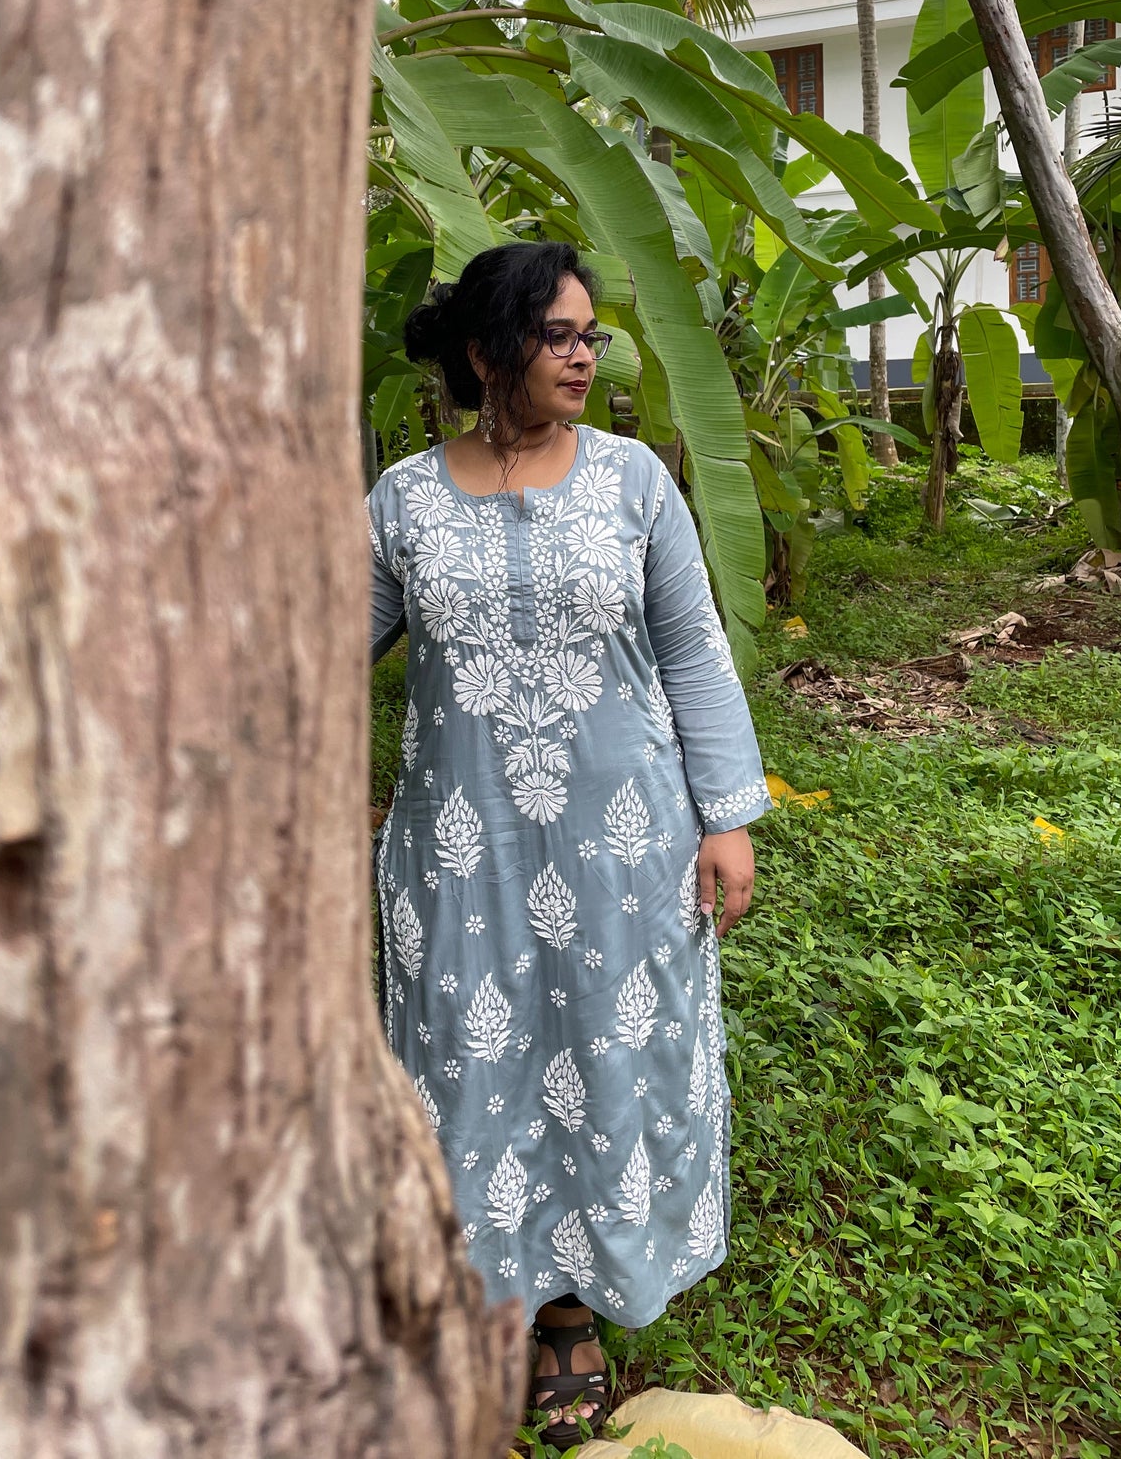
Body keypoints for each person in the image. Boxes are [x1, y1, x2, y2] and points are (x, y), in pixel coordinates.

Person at [365, 240, 768, 1446]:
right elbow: (319, 649)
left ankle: (574, 1313)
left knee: (605, 1061)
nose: (585, 353)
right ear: (488, 352)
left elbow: (693, 651)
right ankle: (483, 1297)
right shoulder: (403, 501)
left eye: (590, 333)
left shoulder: (635, 483)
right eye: (558, 335)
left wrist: (726, 817)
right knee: (470, 1070)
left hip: (622, 850)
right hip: (459, 854)